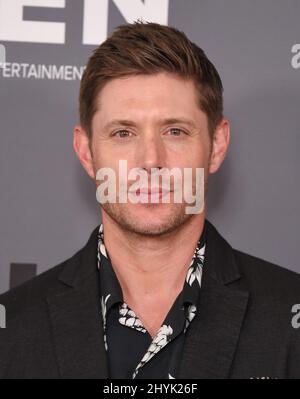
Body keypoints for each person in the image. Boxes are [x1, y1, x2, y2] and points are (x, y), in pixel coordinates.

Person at [0, 21, 299, 379]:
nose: (150, 160)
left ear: (216, 146)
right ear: (86, 152)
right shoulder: (12, 328)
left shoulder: (288, 317)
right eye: (123, 133)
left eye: (175, 131)